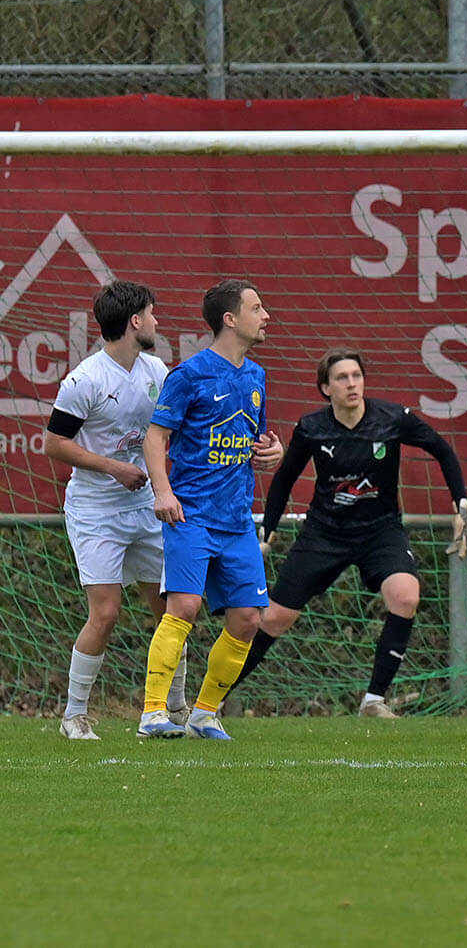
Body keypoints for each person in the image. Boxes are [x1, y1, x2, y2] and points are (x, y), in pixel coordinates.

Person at [233, 349, 467, 717]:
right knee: (274, 619)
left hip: (381, 531)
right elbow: (284, 479)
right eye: (342, 378)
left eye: (356, 375)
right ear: (325, 388)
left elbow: (441, 449)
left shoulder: (393, 418)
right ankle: (209, 700)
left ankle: (374, 700)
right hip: (324, 533)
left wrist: (460, 502)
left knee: (405, 596)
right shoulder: (311, 427)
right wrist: (269, 531)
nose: (352, 384)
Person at [138, 279, 283, 740]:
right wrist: (164, 492)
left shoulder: (256, 376)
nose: (266, 317)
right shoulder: (189, 375)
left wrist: (271, 451)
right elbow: (155, 438)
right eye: (257, 308)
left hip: (237, 519)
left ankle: (204, 713)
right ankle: (153, 714)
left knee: (248, 619)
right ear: (230, 319)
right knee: (184, 604)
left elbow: (253, 437)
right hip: (191, 513)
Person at [45, 280, 188, 739]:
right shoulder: (85, 379)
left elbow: (169, 433)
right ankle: (74, 715)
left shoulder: (157, 371)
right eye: (152, 313)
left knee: (172, 610)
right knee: (105, 613)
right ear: (134, 321)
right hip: (95, 511)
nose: (157, 321)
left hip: (146, 507)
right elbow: (54, 444)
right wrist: (113, 468)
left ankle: (176, 708)